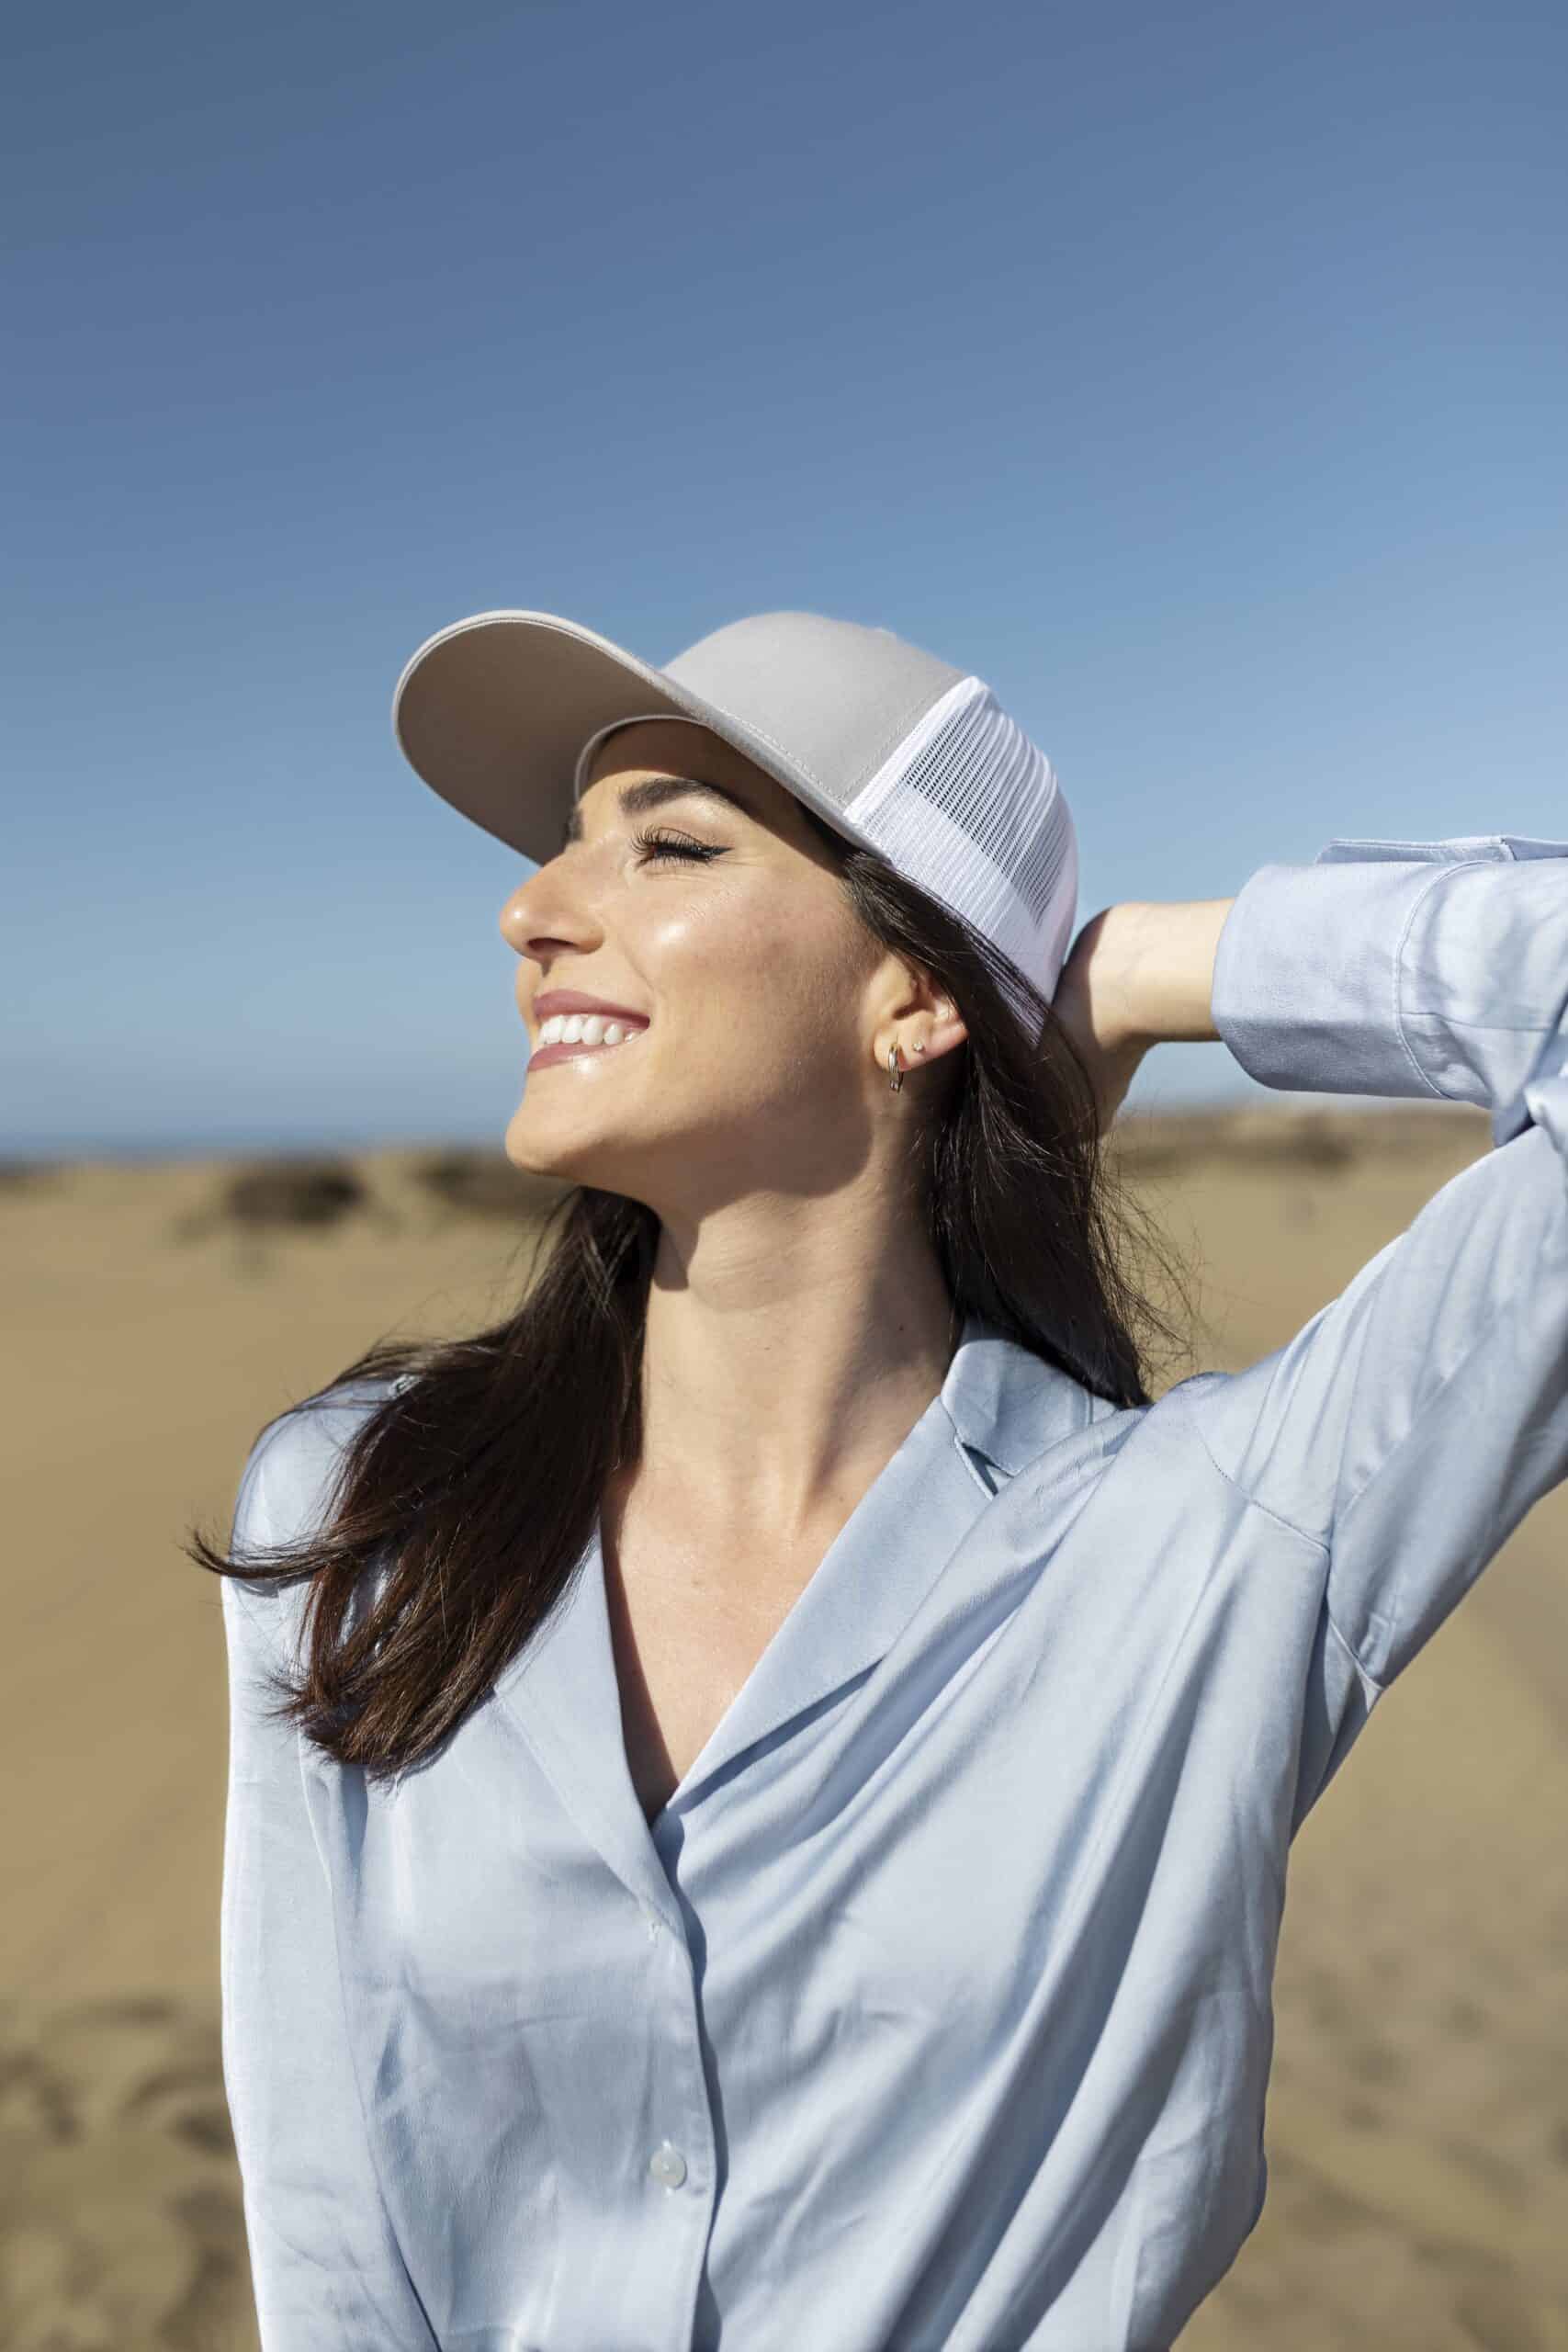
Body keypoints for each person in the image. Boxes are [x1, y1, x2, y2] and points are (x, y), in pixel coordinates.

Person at [196, 605, 1568, 2351]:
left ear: (911, 993)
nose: (532, 913)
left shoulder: (1209, 1546)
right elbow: (326, 2234)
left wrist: (1144, 968)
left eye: (671, 845)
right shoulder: (358, 1508)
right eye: (560, 853)